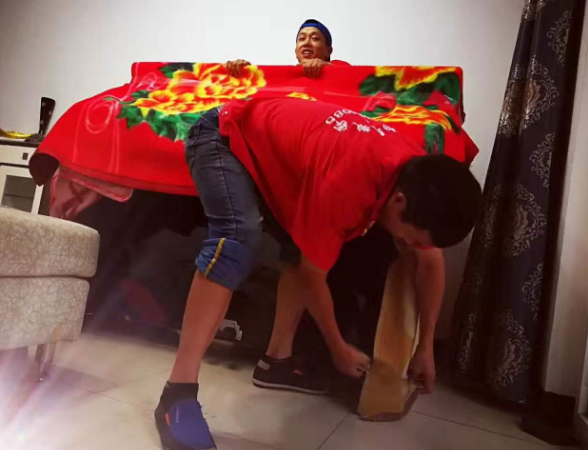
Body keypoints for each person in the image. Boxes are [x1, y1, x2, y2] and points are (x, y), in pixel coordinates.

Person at [154, 97, 482, 450]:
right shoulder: (351, 182)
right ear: (399, 201)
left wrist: (426, 348)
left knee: (304, 247)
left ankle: (276, 362)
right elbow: (313, 277)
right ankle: (177, 394)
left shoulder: (419, 177)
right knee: (236, 239)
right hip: (221, 133)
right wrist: (338, 347)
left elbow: (430, 262)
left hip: (271, 147)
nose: (408, 246)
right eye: (410, 238)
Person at [225, 18, 349, 79]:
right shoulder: (285, 79)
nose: (306, 43)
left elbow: (353, 82)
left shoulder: (340, 68)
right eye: (301, 39)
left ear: (328, 51)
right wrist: (243, 73)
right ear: (296, 51)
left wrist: (326, 67)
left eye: (315, 38)